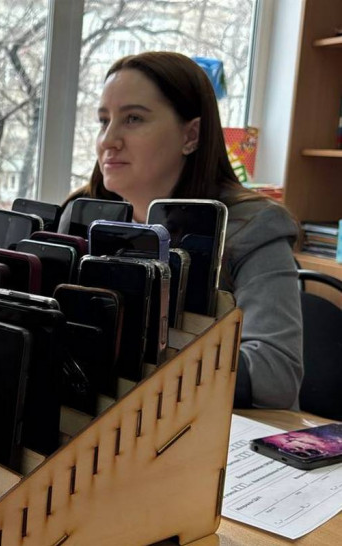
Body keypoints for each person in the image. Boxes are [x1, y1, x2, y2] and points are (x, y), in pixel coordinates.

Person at [61, 51, 302, 409]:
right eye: (104, 120)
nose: (108, 140)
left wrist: (145, 357)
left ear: (191, 135)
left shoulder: (253, 226)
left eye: (133, 119)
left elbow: (275, 375)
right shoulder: (82, 213)